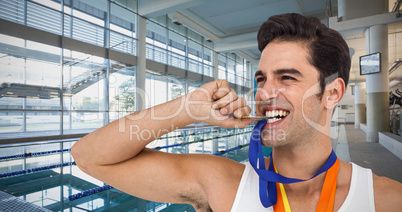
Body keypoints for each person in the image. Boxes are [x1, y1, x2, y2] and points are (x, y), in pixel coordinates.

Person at [71, 13, 402, 211]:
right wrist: (187, 109)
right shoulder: (222, 183)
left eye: (286, 77)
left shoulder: (387, 200)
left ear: (332, 93)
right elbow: (89, 156)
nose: (264, 92)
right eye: (261, 79)